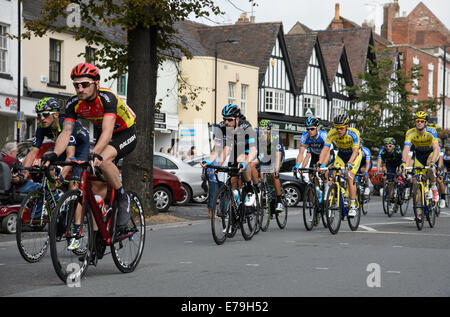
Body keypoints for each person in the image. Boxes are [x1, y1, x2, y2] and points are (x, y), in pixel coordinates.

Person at [41, 62, 137, 235]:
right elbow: (66, 132)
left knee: (103, 159)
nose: (80, 89)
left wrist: (95, 153)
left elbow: (108, 131)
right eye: (76, 85)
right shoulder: (73, 103)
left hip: (124, 133)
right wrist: (54, 153)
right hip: (103, 134)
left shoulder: (107, 98)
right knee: (95, 187)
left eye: (84, 84)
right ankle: (98, 234)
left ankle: (123, 198)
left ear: (96, 84)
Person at [22, 97, 90, 189]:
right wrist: (24, 172)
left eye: (45, 114)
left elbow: (70, 154)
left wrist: (62, 176)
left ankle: (72, 198)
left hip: (80, 148)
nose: (41, 118)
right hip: (64, 147)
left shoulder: (66, 125)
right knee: (46, 157)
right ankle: (54, 196)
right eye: (39, 115)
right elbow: (33, 151)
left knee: (72, 187)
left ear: (56, 114)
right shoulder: (42, 127)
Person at [203, 104, 258, 207]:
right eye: (225, 119)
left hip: (248, 148)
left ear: (237, 119)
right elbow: (219, 149)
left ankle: (250, 189)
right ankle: (238, 206)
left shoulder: (246, 127)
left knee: (242, 160)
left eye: (229, 120)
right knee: (233, 179)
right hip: (236, 148)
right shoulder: (222, 127)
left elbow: (253, 150)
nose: (226, 122)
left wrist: (245, 163)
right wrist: (212, 162)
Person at [317, 114, 362, 217]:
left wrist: (350, 163)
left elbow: (355, 151)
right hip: (341, 155)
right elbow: (325, 149)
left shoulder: (354, 133)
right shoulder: (332, 133)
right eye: (336, 128)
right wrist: (320, 163)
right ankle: (336, 194)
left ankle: (352, 205)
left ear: (347, 126)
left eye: (341, 128)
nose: (339, 130)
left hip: (354, 155)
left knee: (350, 176)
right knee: (333, 173)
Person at [401, 111, 440, 215]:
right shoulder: (410, 132)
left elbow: (436, 148)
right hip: (419, 154)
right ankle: (419, 210)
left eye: (421, 121)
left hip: (430, 152)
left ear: (426, 123)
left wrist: (432, 161)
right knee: (416, 179)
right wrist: (404, 163)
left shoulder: (431, 131)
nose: (419, 123)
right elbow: (406, 149)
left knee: (429, 166)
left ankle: (434, 188)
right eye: (417, 121)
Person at [251, 119, 285, 212]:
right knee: (252, 165)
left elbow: (278, 155)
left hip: (276, 155)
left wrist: (276, 170)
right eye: (261, 131)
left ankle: (279, 201)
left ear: (270, 131)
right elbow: (256, 153)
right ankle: (259, 189)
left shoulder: (276, 137)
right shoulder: (257, 136)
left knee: (273, 174)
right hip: (264, 154)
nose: (263, 134)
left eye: (265, 132)